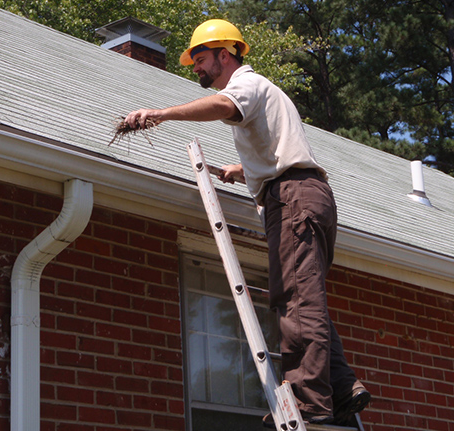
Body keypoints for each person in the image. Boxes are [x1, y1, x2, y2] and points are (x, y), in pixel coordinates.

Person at [124, 19, 371, 428]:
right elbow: (279, 150)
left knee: (296, 300)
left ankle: (309, 401)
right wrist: (244, 171)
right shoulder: (265, 93)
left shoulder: (246, 84)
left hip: (292, 199)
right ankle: (343, 387)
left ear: (226, 54)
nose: (196, 68)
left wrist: (161, 114)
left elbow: (225, 107)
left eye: (200, 59)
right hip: (304, 195)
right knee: (307, 298)